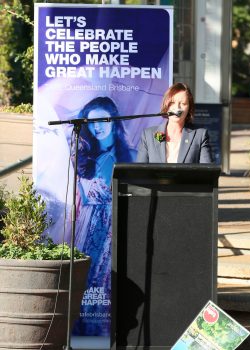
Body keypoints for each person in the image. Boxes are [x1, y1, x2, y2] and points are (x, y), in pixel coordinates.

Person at [72, 96, 136, 335]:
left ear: (114, 120)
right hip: (86, 228)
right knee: (85, 284)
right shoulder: (85, 157)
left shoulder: (128, 155)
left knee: (106, 284)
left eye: (102, 120)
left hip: (113, 226)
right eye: (91, 122)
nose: (97, 126)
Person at [136, 82, 212, 163]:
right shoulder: (149, 135)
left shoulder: (199, 136)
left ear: (189, 109)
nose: (177, 107)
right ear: (166, 104)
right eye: (172, 103)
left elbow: (207, 173)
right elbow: (140, 172)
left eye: (183, 103)